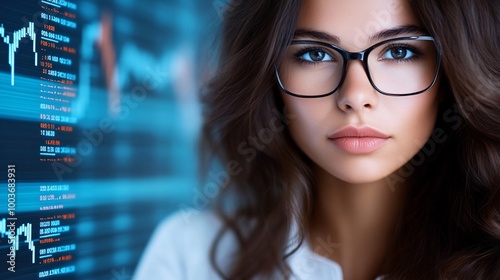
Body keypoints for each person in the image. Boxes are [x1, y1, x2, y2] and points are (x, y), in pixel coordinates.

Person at [134, 0, 500, 279]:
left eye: (399, 51)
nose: (355, 95)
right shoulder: (187, 257)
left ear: (454, 72)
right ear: (269, 83)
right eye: (315, 54)